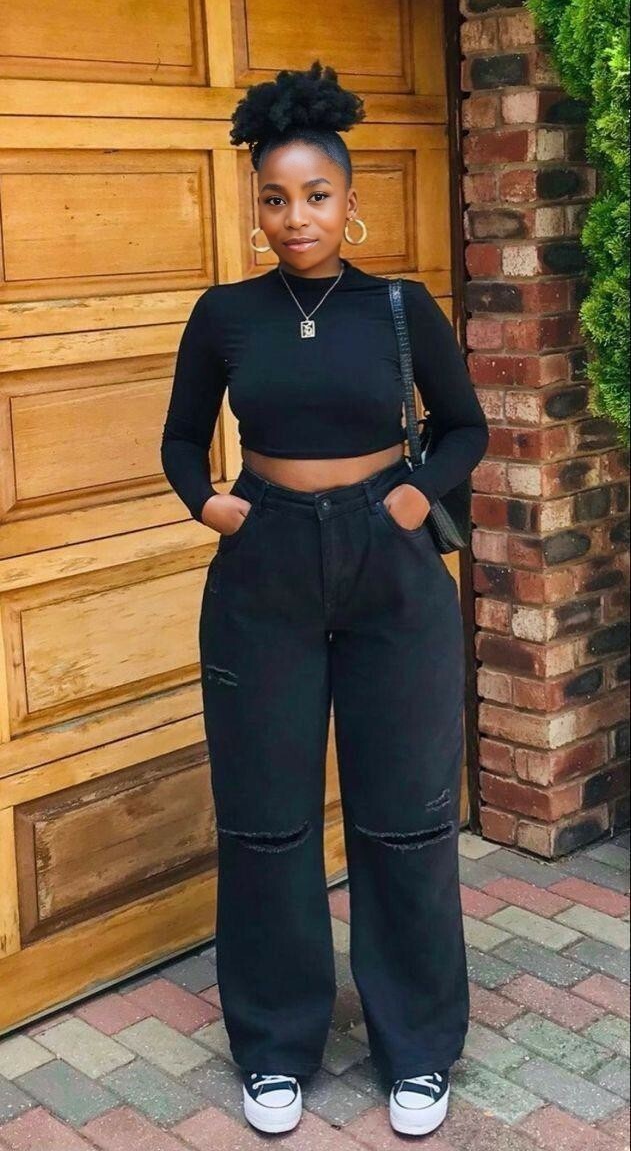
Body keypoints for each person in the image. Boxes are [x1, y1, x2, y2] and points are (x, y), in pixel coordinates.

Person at [160, 60, 488, 1138]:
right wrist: (209, 505)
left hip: (388, 566)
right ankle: (274, 1046)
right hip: (263, 567)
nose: (294, 217)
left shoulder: (399, 305)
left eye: (315, 195)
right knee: (265, 822)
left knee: (406, 819)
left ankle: (417, 1049)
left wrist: (415, 497)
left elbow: (465, 426)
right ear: (255, 208)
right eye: (275, 198)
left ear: (351, 201)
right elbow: (179, 438)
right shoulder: (225, 314)